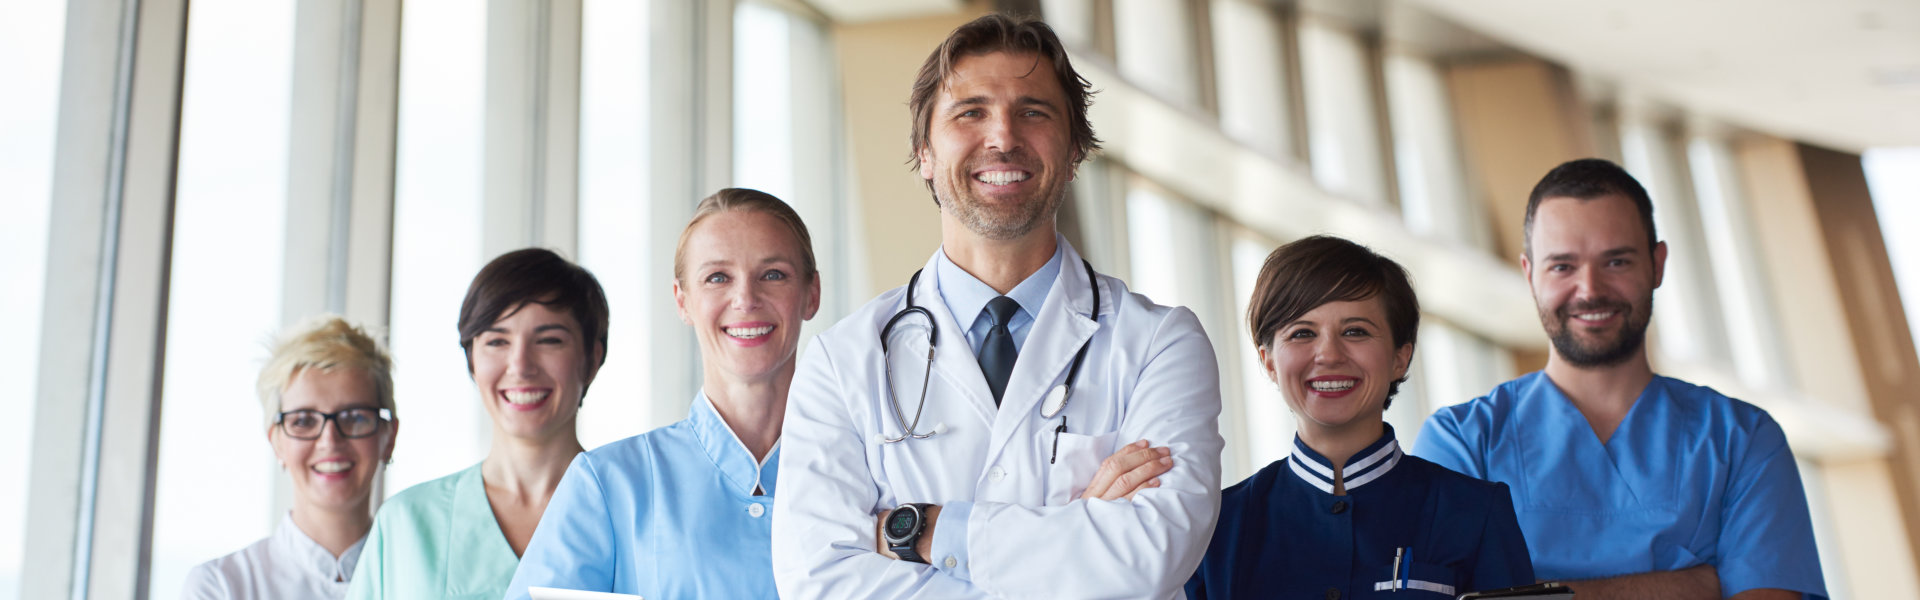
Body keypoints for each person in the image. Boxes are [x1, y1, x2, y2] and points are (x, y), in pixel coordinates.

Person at [770, 13, 1223, 599]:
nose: (1003, 137)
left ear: (1076, 149)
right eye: (971, 112)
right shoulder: (842, 361)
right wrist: (1081, 539)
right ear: (924, 153)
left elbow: (1154, 551)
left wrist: (930, 532)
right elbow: (820, 582)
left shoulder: (1160, 343)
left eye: (1034, 111)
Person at [1412, 158, 1826, 599]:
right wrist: (1695, 585)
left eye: (1616, 262)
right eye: (1562, 267)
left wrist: (1526, 591)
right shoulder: (1461, 441)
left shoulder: (1743, 440)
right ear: (1530, 274)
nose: (1589, 289)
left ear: (1657, 264)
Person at [502, 188, 822, 599]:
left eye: (773, 274)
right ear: (682, 301)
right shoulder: (609, 484)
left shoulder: (866, 470)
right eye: (717, 277)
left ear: (811, 293)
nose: (745, 299)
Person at [1186, 235, 1534, 599]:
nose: (1329, 354)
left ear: (1400, 357)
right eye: (1302, 333)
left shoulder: (1475, 512)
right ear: (1269, 361)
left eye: (1355, 331)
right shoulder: (1216, 526)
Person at [346, 248, 608, 600]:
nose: (520, 365)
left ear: (592, 358)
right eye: (497, 341)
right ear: (471, 360)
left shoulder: (632, 516)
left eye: (549, 340)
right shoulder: (405, 525)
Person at [182, 316, 400, 600]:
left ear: (389, 437)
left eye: (354, 417)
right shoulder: (221, 586)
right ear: (276, 442)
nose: (330, 440)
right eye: (304, 421)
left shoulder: (429, 578)